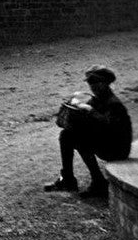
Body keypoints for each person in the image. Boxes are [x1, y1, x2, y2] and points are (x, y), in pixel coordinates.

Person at [45, 65, 132, 198]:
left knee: (80, 140)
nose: (92, 86)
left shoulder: (114, 103)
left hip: (117, 148)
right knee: (67, 135)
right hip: (109, 142)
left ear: (105, 83)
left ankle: (98, 182)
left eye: (95, 82)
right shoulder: (99, 98)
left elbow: (110, 126)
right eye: (91, 83)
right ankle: (68, 178)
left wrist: (89, 110)